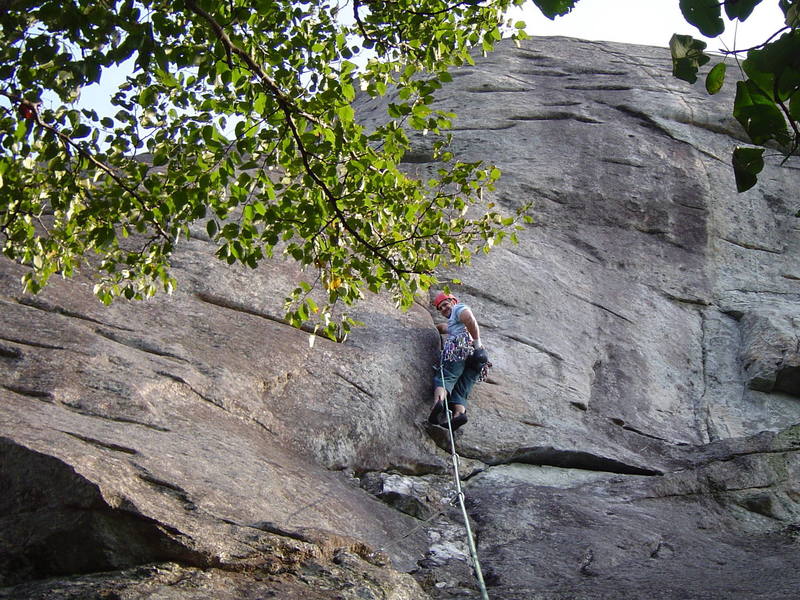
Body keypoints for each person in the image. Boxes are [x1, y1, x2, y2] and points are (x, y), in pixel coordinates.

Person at [429, 292, 490, 431]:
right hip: (478, 358)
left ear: (453, 301)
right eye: (440, 308)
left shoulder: (458, 308)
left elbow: (469, 318)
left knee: (445, 377)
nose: (443, 309)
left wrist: (478, 344)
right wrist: (433, 327)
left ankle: (437, 404)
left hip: (461, 348)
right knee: (462, 388)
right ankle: (459, 414)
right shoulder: (453, 323)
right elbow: (444, 328)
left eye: (445, 304)